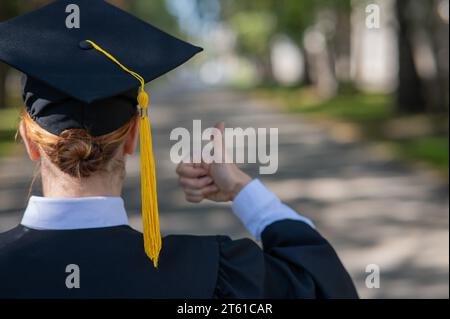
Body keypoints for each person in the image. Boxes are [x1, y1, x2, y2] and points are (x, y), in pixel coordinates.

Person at [0, 0, 358, 299]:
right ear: (132, 137)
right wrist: (240, 189)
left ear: (30, 141)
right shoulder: (212, 274)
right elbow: (324, 284)